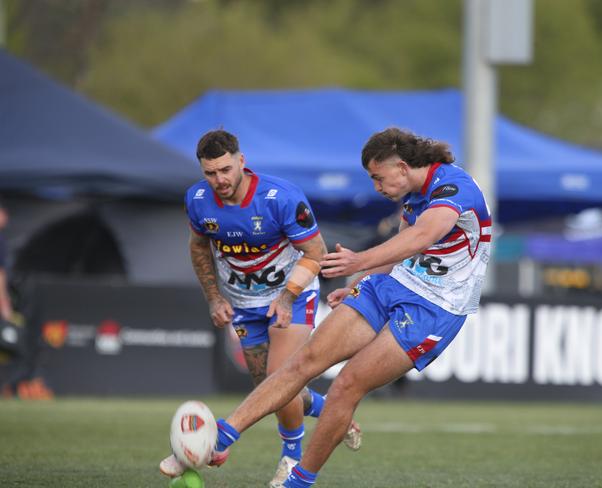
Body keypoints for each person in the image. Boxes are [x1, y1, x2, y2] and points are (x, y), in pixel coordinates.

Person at [205, 127, 492, 487]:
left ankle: (298, 482)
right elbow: (403, 246)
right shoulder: (413, 194)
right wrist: (358, 283)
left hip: (436, 307)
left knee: (346, 385)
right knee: (303, 362)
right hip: (393, 285)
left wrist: (356, 263)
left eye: (377, 177)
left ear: (402, 168)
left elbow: (423, 236)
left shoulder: (455, 188)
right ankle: (221, 435)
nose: (375, 187)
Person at [158, 130, 361, 487]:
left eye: (225, 169)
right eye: (210, 173)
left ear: (241, 161)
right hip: (242, 303)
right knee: (268, 388)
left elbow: (316, 253)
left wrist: (285, 298)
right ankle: (333, 411)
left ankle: (290, 461)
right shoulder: (198, 200)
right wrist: (214, 297)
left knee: (280, 378)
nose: (219, 179)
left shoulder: (280, 198)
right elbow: (199, 247)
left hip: (292, 295)